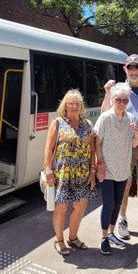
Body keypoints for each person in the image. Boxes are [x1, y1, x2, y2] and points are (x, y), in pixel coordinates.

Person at [101, 54, 138, 239]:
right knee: (124, 184)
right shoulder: (120, 89)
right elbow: (104, 112)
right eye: (130, 67)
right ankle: (122, 218)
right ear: (125, 69)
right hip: (125, 147)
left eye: (137, 67)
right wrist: (107, 93)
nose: (134, 70)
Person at [43, 89, 96, 255]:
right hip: (62, 173)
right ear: (65, 106)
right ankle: (59, 240)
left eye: (77, 103)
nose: (74, 106)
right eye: (70, 103)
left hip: (82, 172)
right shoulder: (58, 123)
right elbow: (49, 148)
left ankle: (73, 237)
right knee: (62, 207)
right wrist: (48, 169)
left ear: (81, 106)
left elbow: (92, 149)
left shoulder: (87, 125)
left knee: (81, 205)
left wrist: (93, 170)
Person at [95, 83, 138, 255]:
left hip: (123, 169)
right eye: (118, 100)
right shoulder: (105, 117)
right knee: (108, 204)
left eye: (125, 100)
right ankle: (104, 237)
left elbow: (134, 144)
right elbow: (97, 142)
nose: (121, 103)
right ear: (113, 100)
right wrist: (100, 165)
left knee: (118, 204)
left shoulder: (130, 119)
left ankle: (112, 232)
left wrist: (136, 134)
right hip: (106, 169)